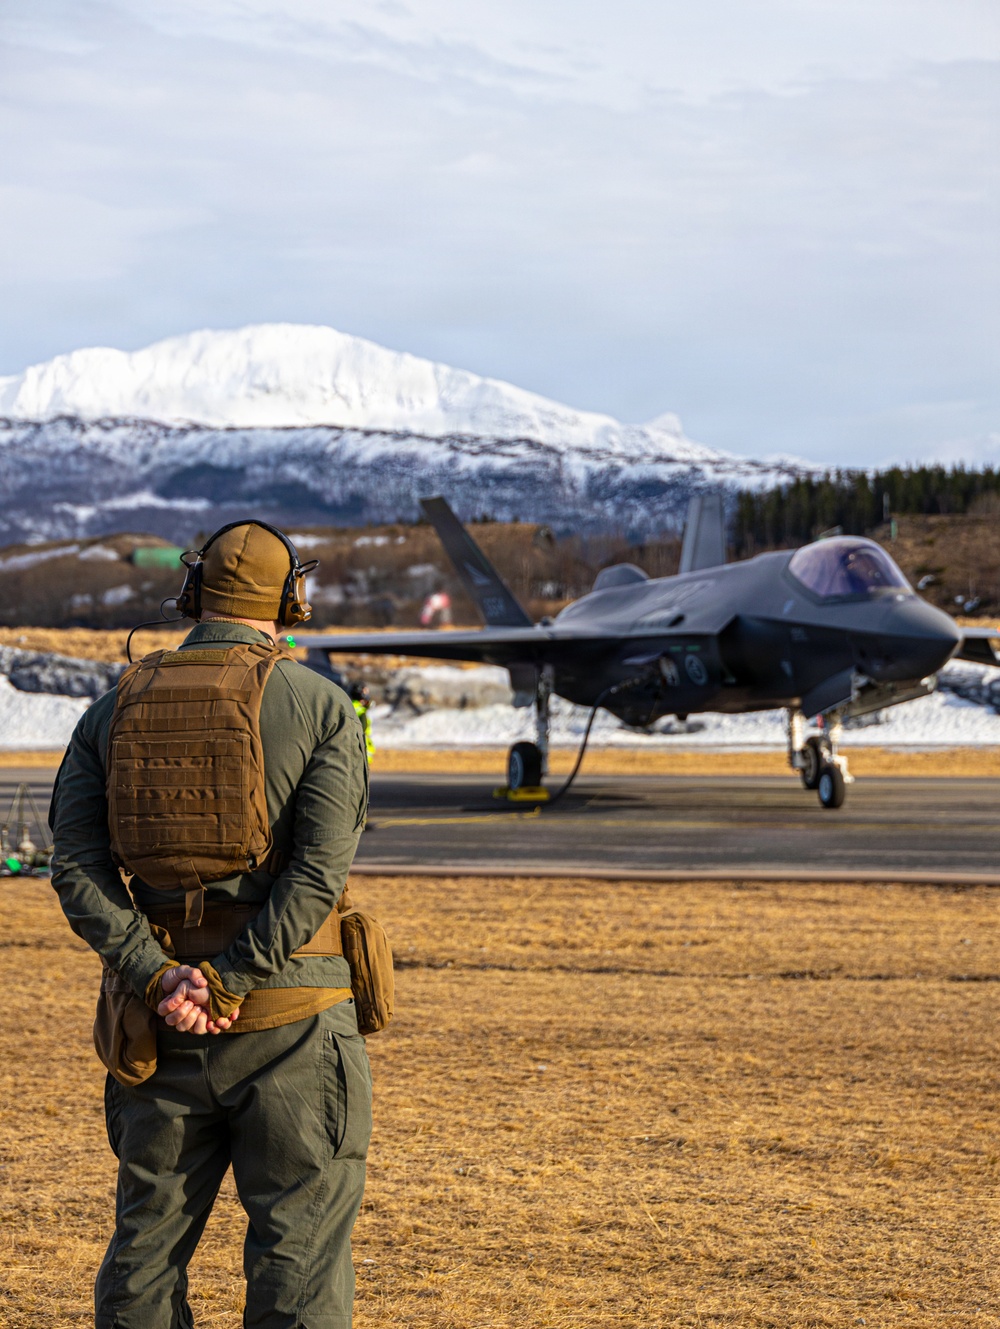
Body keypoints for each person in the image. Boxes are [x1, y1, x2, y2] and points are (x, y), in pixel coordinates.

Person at [49, 520, 371, 1329]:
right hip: (294, 1023)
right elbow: (317, 874)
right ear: (291, 600)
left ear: (192, 595)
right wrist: (232, 978)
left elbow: (76, 867)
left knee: (144, 1258)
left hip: (159, 1026)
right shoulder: (325, 706)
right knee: (297, 1265)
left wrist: (160, 976)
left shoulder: (110, 709)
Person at [349, 682, 375, 763]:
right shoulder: (361, 711)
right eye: (365, 692)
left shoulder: (349, 706)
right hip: (361, 750)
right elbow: (363, 729)